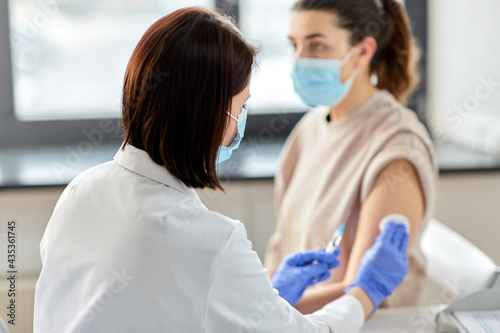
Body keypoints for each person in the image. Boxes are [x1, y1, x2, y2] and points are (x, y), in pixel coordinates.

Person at [34, 7, 408, 333]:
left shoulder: (81, 190)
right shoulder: (209, 241)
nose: (240, 123)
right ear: (211, 115)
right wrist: (365, 290)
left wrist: (268, 298)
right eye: (240, 107)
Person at [264, 0, 439, 314]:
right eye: (294, 45)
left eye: (317, 45)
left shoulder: (396, 145)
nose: (299, 60)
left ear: (362, 51)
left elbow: (364, 293)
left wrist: (262, 310)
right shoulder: (310, 130)